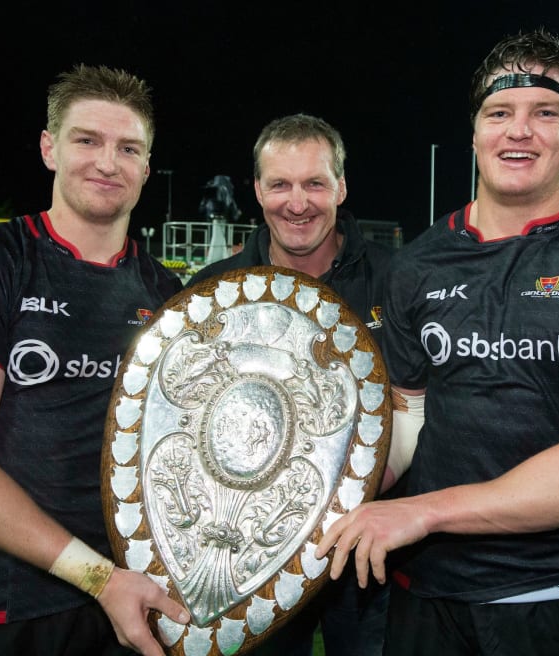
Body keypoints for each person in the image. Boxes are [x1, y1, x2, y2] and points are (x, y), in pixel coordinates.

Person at [317, 28, 559, 656]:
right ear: (475, 132)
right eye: (500, 113)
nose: (519, 130)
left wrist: (425, 512)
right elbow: (407, 416)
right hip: (423, 597)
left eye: (545, 113)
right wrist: (322, 493)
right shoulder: (421, 260)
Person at [0, 63, 189, 656]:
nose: (107, 163)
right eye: (87, 140)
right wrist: (97, 577)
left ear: (145, 165)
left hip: (135, 599)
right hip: (9, 605)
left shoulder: (167, 294)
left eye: (128, 148)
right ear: (49, 148)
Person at [190, 113, 395, 656]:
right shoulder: (211, 293)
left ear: (341, 187)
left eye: (315, 183)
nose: (297, 202)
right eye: (280, 184)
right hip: (252, 551)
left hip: (369, 554)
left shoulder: (398, 282)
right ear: (257, 190)